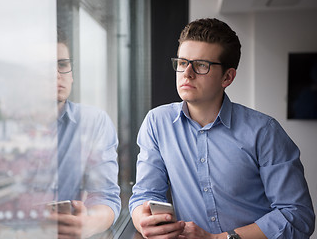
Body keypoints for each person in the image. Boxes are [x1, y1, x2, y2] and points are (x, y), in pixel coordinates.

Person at [129, 18, 315, 239]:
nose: (187, 73)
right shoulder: (156, 123)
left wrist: (218, 238)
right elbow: (145, 195)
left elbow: (297, 216)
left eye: (201, 65)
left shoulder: (264, 132)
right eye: (182, 62)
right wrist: (144, 222)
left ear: (227, 77)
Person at [45, 27, 121, 238]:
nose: (56, 75)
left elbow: (106, 197)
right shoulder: (6, 125)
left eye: (63, 65)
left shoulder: (93, 122)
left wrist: (87, 223)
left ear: (72, 75)